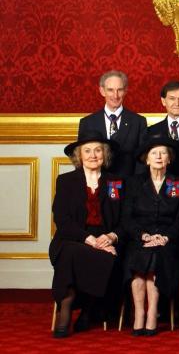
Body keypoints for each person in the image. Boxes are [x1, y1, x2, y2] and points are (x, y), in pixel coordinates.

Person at [50, 131, 123, 338]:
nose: (93, 155)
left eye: (98, 150)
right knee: (70, 253)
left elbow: (126, 220)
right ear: (79, 156)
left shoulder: (116, 182)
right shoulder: (65, 181)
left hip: (105, 237)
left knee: (105, 255)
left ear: (105, 154)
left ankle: (88, 309)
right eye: (87, 151)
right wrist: (90, 240)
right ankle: (67, 304)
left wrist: (111, 237)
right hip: (73, 237)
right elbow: (62, 220)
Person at [122, 136, 179, 336]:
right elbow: (126, 218)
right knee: (138, 260)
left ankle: (152, 313)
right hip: (139, 239)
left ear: (169, 159)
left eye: (163, 152)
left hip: (168, 241)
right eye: (154, 153)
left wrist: (165, 237)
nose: (159, 156)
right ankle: (140, 312)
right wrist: (143, 236)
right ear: (146, 159)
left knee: (157, 256)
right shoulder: (133, 183)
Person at [77, 70, 146, 178]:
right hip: (97, 184)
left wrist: (136, 186)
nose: (115, 95)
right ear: (102, 91)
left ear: (125, 91)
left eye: (120, 90)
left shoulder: (138, 122)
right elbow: (80, 159)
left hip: (128, 186)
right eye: (110, 90)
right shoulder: (87, 122)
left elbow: (141, 160)